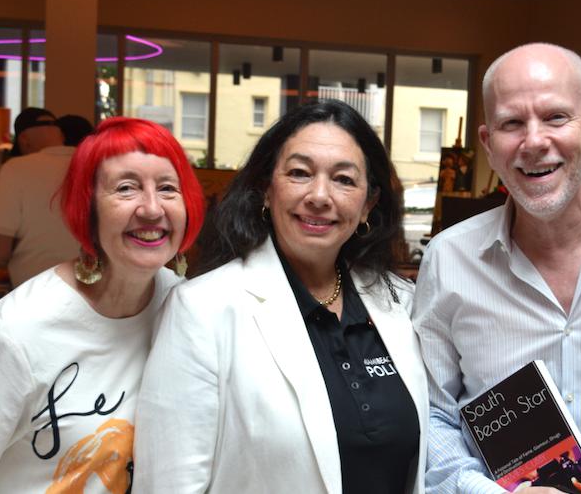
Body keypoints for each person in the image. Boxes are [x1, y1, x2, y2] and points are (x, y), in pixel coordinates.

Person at [413, 42, 581, 494]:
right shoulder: (449, 259)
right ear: (488, 144)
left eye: (555, 117)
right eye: (512, 123)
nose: (534, 142)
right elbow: (434, 413)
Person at [134, 100, 429, 493]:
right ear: (266, 190)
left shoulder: (401, 303)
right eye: (299, 173)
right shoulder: (203, 309)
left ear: (367, 205)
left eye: (344, 179)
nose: (320, 196)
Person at [0, 117, 205, 493]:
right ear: (87, 209)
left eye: (167, 188)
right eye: (126, 188)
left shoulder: (186, 310)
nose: (151, 208)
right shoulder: (17, 335)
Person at [0, 107, 80, 287]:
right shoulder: (95, 165)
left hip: (35, 291)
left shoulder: (15, 168)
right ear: (60, 136)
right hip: (92, 291)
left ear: (23, 139)